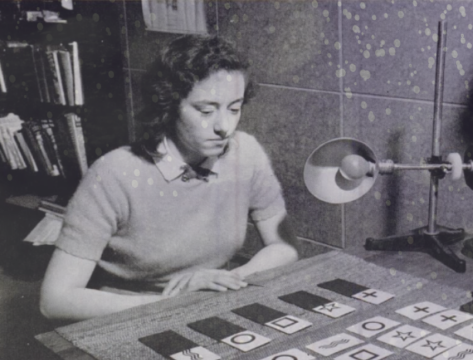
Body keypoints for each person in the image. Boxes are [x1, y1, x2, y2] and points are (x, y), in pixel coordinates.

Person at [40, 35, 299, 322]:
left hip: (210, 304)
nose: (224, 127)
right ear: (169, 106)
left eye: (234, 108)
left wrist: (231, 279)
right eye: (206, 110)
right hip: (127, 317)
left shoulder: (246, 153)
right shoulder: (113, 174)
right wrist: (170, 304)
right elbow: (55, 300)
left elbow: (284, 248)